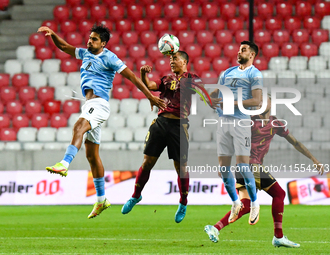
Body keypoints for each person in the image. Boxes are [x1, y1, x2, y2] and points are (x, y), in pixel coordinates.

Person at [37, 24, 165, 219]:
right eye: (90, 38)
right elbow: (64, 47)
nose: (90, 41)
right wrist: (53, 34)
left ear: (103, 43)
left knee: (78, 126)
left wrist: (149, 96)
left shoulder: (110, 58)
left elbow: (131, 77)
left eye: (94, 39)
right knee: (92, 155)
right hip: (89, 104)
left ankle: (64, 163)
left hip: (99, 104)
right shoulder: (85, 53)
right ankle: (101, 199)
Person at [204, 94, 324, 247]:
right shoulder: (250, 122)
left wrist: (314, 159)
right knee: (279, 194)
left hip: (247, 168)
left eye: (263, 100)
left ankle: (215, 228)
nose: (260, 103)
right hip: (249, 166)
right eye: (258, 101)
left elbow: (296, 142)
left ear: (271, 103)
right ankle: (278, 237)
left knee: (246, 205)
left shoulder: (276, 123)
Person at [121, 51, 207, 223]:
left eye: (175, 58)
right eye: (170, 59)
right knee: (147, 162)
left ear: (184, 61)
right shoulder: (166, 79)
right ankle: (136, 195)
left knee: (181, 166)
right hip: (161, 123)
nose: (171, 61)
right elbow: (151, 86)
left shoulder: (193, 78)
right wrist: (143, 75)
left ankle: (183, 202)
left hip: (179, 125)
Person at [209, 41, 263, 225]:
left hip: (241, 122)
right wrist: (211, 98)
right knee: (223, 170)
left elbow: (256, 100)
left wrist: (230, 103)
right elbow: (216, 92)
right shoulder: (227, 72)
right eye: (239, 49)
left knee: (242, 166)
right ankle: (235, 203)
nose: (239, 52)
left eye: (244, 49)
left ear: (252, 55)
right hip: (223, 122)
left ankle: (255, 203)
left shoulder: (254, 73)